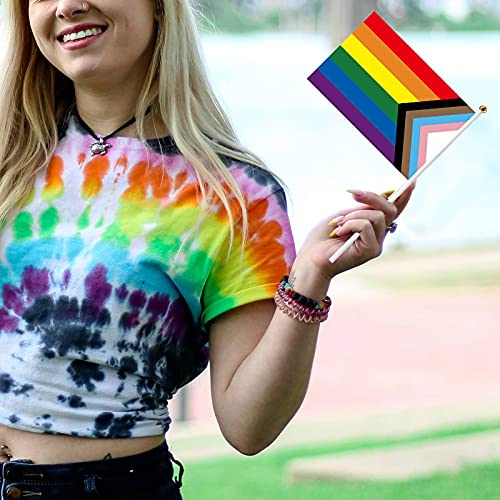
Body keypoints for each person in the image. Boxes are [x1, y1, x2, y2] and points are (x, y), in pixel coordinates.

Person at [0, 0, 414, 498]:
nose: (67, 5)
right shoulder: (10, 158)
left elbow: (248, 427)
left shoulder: (236, 196)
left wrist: (307, 279)